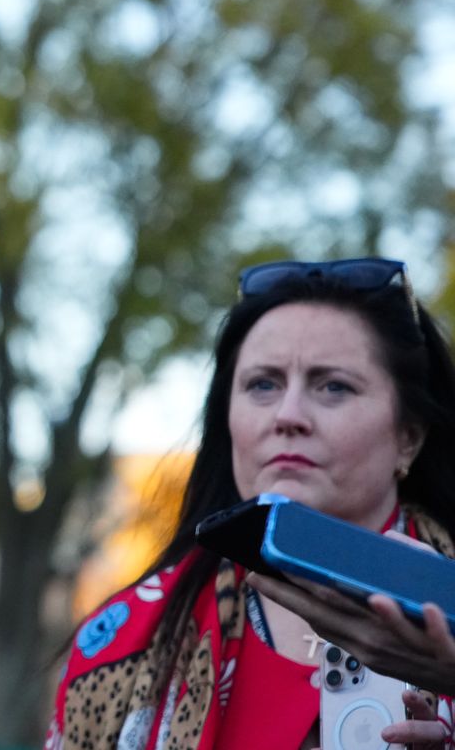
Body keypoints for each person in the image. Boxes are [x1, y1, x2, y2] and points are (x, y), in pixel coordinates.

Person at [47, 258, 455, 749]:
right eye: (263, 384)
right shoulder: (120, 639)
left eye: (334, 387)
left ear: (408, 438)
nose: (288, 415)